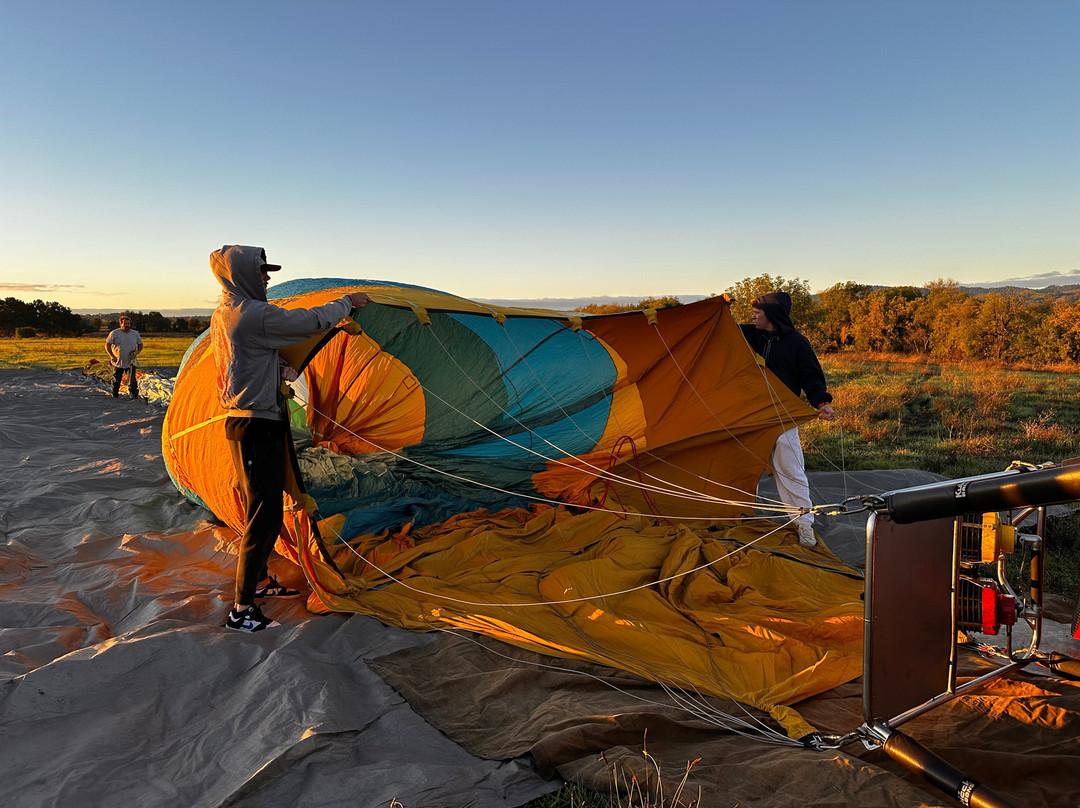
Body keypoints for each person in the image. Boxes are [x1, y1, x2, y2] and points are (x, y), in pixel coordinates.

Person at [211, 244, 371, 632]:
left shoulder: (229, 312)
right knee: (262, 516)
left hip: (255, 420)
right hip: (254, 426)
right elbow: (309, 322)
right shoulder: (251, 314)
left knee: (264, 508)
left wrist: (276, 368)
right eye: (262, 271)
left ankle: (261, 581)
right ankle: (241, 609)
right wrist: (346, 302)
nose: (268, 278)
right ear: (242, 274)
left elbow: (241, 360)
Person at [739, 292, 834, 548]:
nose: (753, 315)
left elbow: (811, 378)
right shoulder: (748, 335)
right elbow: (719, 332)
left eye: (757, 312)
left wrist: (822, 403)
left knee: (790, 471)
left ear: (772, 314)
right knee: (741, 467)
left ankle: (804, 524)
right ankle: (741, 516)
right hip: (752, 416)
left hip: (783, 417)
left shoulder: (796, 344)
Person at [105, 315, 144, 399]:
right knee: (117, 380)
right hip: (118, 362)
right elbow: (107, 345)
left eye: (129, 323)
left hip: (131, 362)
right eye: (125, 323)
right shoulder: (114, 333)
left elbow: (140, 344)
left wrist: (137, 352)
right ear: (121, 324)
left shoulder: (135, 334)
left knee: (132, 380)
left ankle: (133, 396)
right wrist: (111, 356)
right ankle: (115, 395)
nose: (127, 325)